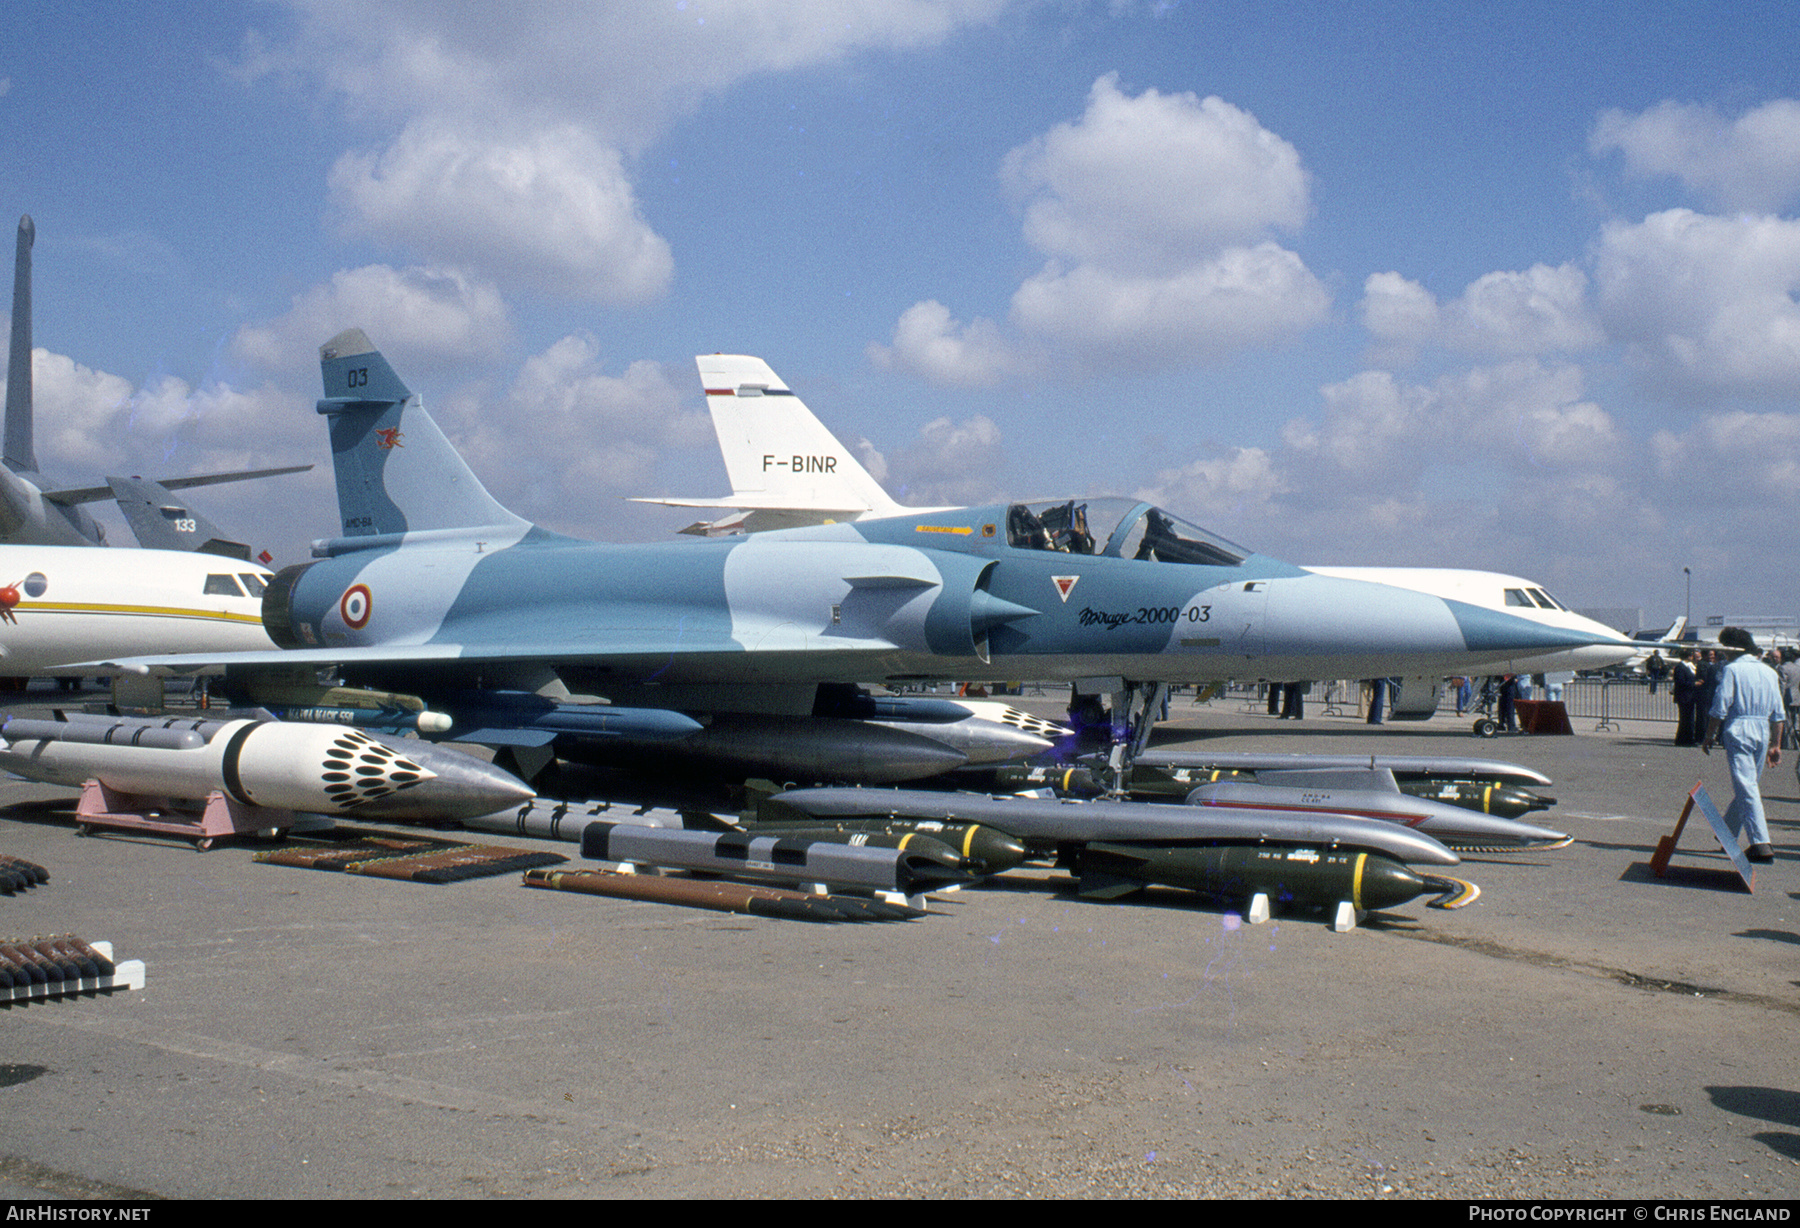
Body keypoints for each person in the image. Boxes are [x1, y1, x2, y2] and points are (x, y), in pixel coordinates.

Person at [1702, 627, 1785, 863]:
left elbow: (1720, 706)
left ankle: (1760, 843)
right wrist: (1776, 744)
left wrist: (1709, 734)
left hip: (1739, 727)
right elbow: (1779, 713)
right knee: (1748, 784)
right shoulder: (1769, 672)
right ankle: (1726, 833)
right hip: (1762, 731)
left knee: (1746, 786)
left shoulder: (1732, 670)